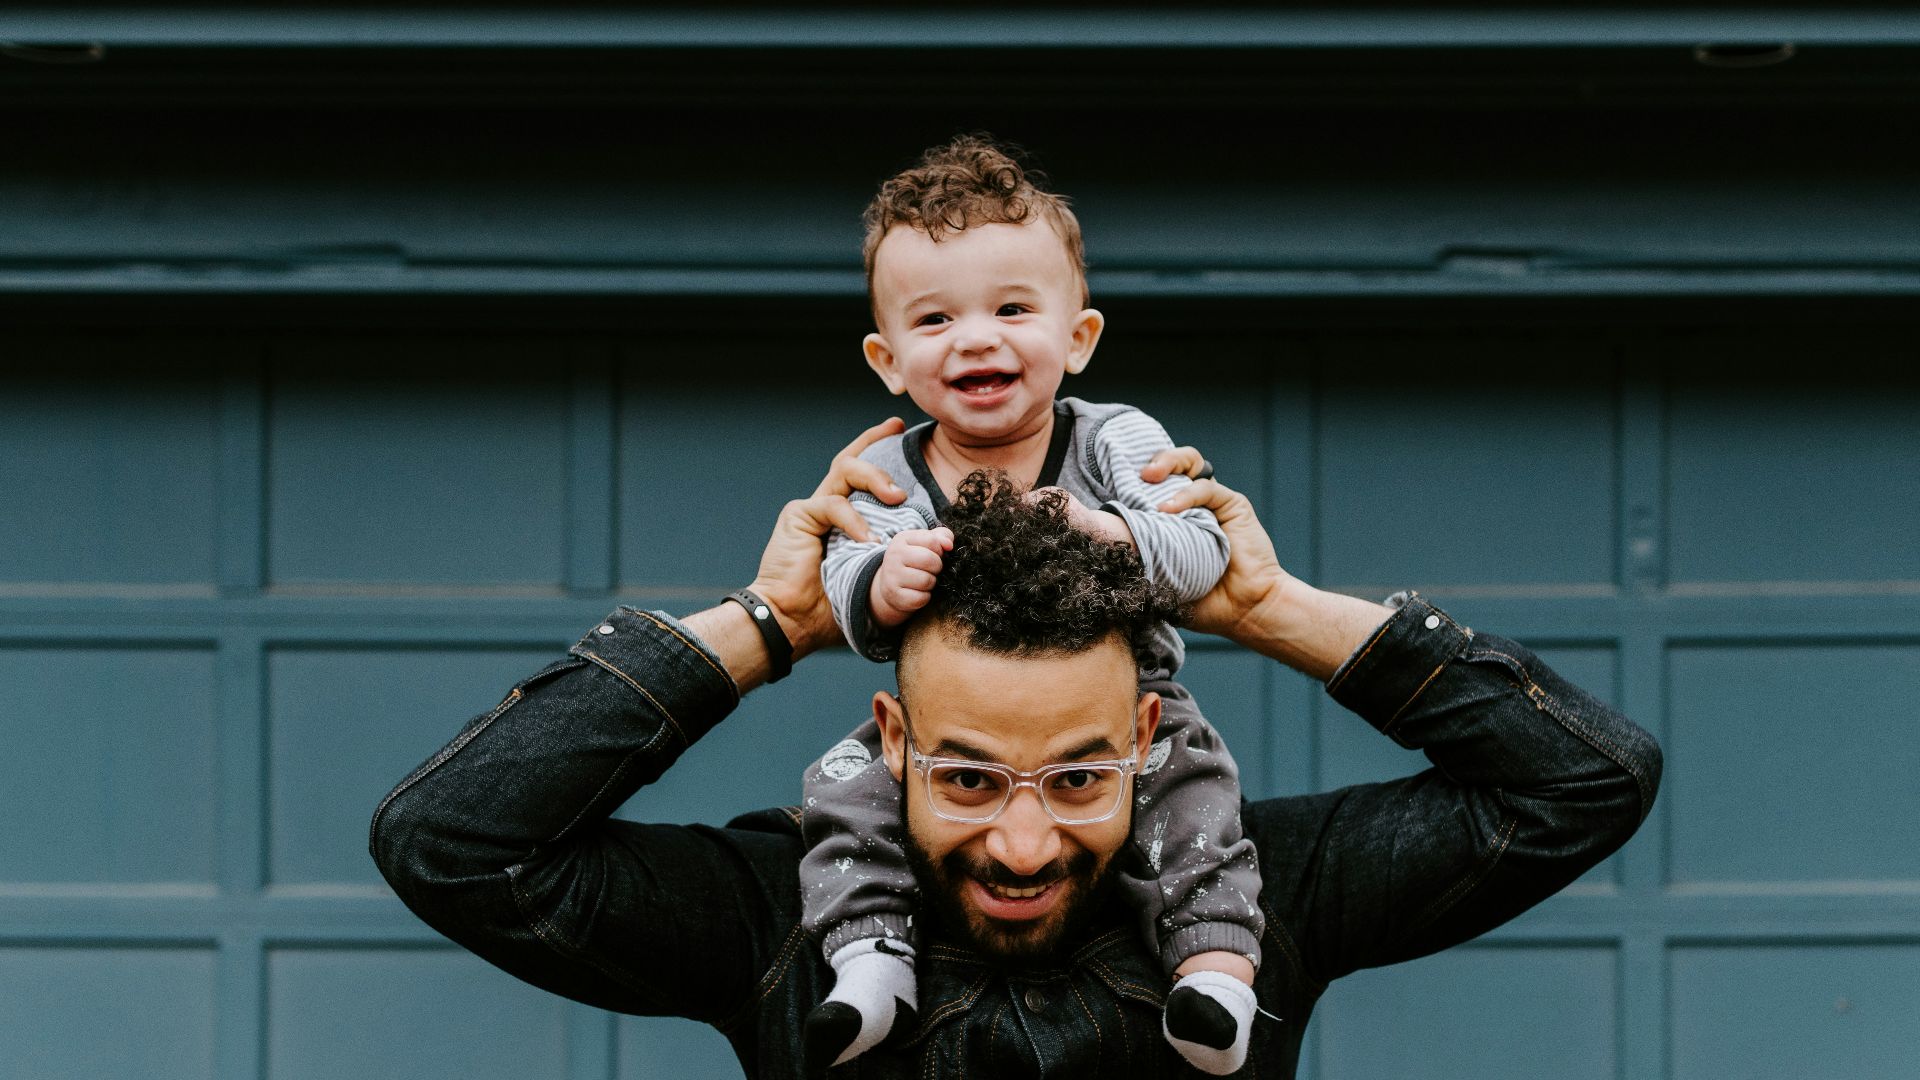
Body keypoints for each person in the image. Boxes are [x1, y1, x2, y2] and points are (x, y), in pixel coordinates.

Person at [369, 419, 1663, 1079]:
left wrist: (1270, 610)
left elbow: (1585, 779)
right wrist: (773, 627)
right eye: (972, 777)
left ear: (1148, 732)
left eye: (1082, 776)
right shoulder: (779, 915)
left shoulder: (1264, 894)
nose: (1026, 841)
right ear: (894, 739)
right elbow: (455, 843)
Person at [803, 134, 1260, 1074]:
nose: (976, 337)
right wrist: (878, 584)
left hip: (1134, 702)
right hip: (949, 725)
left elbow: (1201, 548)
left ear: (1078, 338)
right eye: (935, 322)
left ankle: (1213, 974)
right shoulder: (886, 469)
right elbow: (844, 587)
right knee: (843, 790)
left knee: (1197, 795)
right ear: (889, 361)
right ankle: (870, 959)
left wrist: (1112, 533)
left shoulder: (1113, 441)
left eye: (1013, 308)